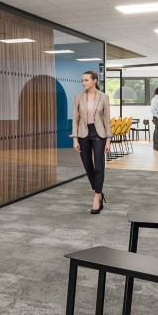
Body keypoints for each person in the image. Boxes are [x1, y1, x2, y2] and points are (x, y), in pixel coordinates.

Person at [71, 70, 111, 214]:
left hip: (99, 134)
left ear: (95, 81)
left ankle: (97, 196)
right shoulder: (78, 97)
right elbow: (75, 119)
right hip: (83, 134)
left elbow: (107, 119)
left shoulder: (104, 97)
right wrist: (75, 138)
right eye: (82, 80)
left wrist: (108, 140)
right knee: (88, 165)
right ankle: (98, 192)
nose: (83, 83)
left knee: (99, 166)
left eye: (86, 80)